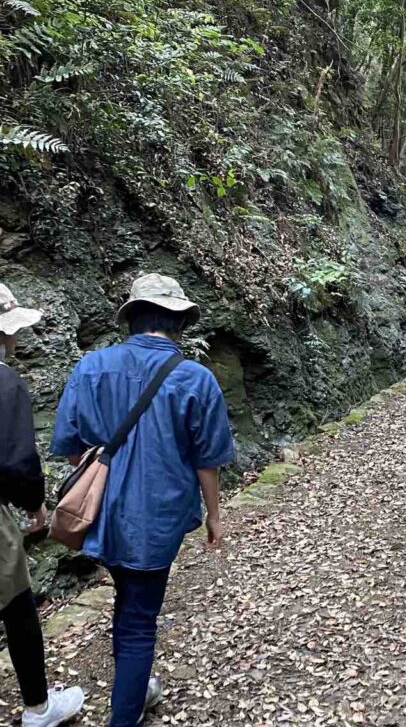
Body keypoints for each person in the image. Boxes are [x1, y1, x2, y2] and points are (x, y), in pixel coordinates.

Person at [50, 274, 235, 726]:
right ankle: (126, 711)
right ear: (178, 321)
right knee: (138, 617)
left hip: (105, 511)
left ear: (132, 318)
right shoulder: (195, 378)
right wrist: (214, 514)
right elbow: (206, 459)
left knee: (127, 601)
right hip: (161, 515)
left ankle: (134, 688)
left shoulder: (91, 367)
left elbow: (71, 444)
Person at [0, 283, 86, 726]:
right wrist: (34, 506)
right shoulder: (3, 380)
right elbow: (16, 459)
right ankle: (38, 707)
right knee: (16, 604)